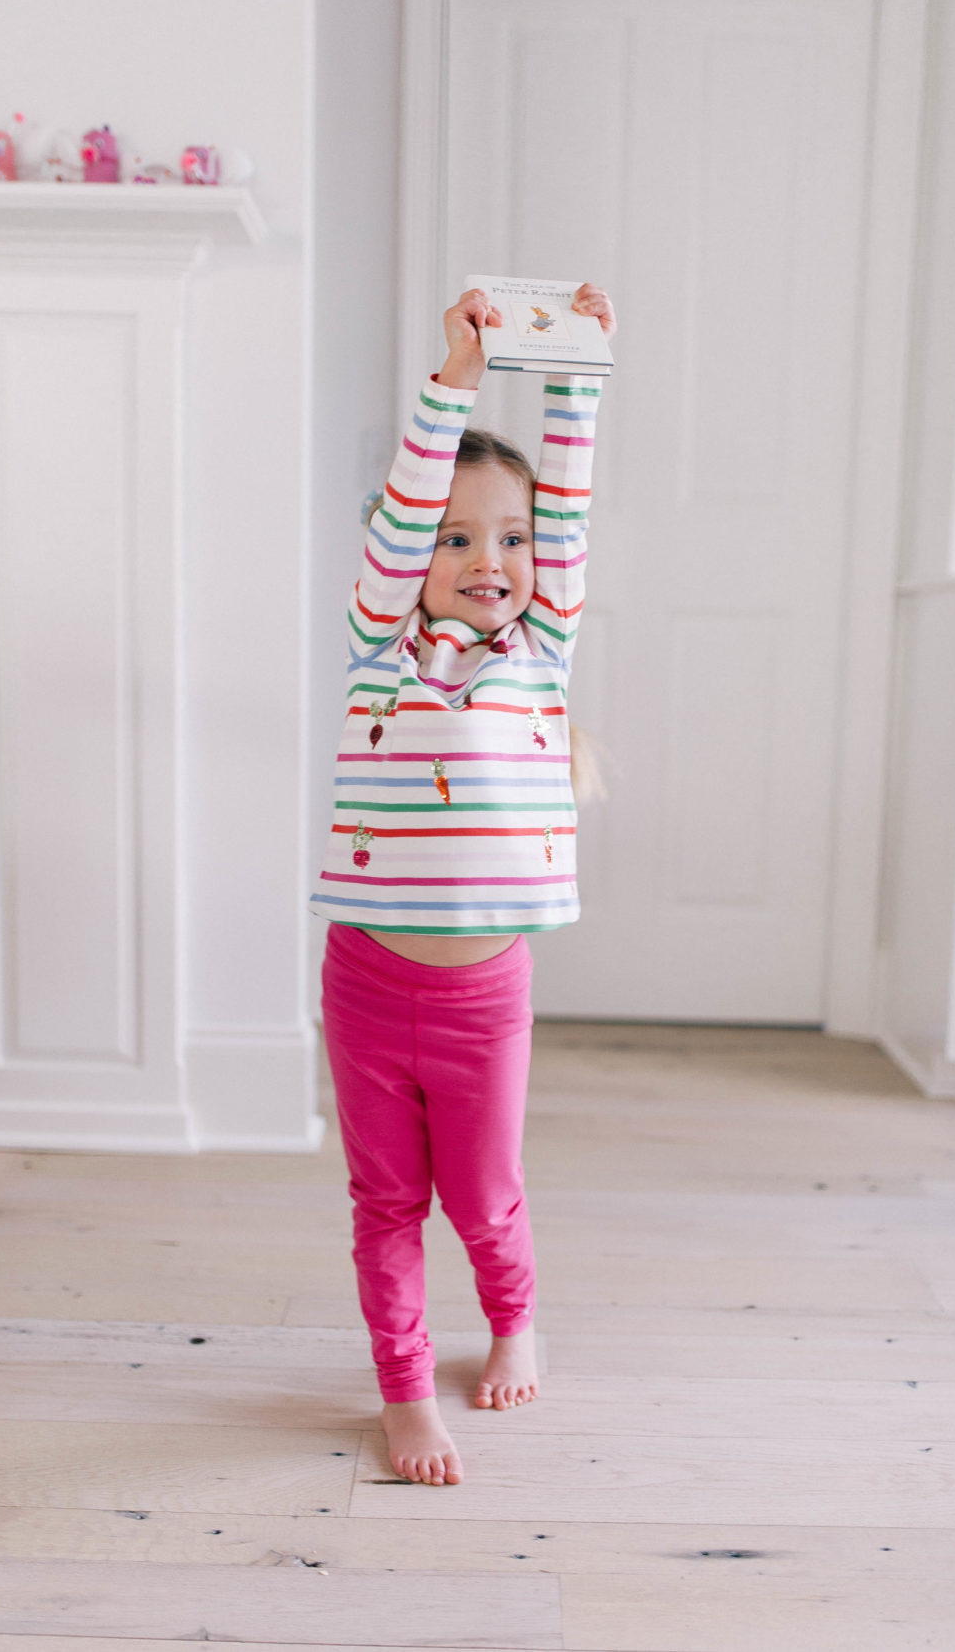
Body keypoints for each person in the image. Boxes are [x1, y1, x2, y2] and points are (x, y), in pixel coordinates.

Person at [311, 283, 616, 1486]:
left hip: (486, 996)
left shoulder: (539, 652)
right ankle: (399, 1391)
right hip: (369, 986)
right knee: (385, 1200)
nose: (485, 558)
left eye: (507, 537)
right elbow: (402, 521)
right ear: (409, 557)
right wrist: (454, 378)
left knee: (484, 1199)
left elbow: (572, 509)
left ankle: (513, 1322)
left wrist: (575, 373)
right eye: (452, 536)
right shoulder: (379, 647)